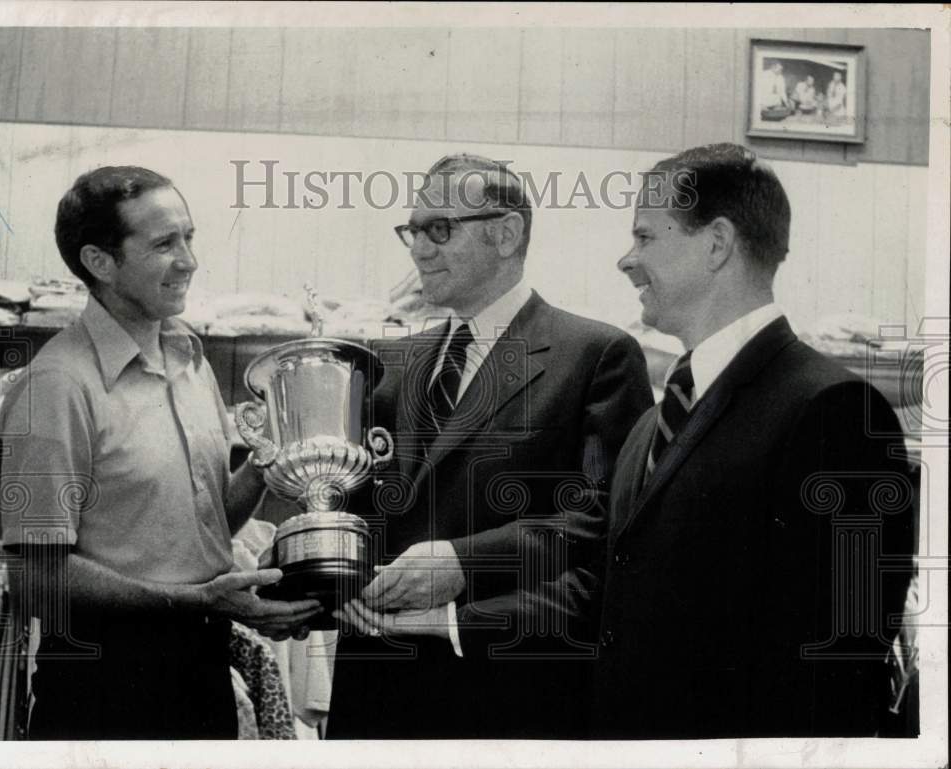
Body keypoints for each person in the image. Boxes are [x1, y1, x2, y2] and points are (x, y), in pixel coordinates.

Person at [590, 143, 915, 738]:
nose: (626, 261)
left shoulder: (831, 411)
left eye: (645, 238)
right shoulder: (650, 424)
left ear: (716, 244)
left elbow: (835, 668)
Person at [326, 154, 654, 738]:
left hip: (506, 696)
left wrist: (463, 563)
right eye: (413, 231)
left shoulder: (595, 355)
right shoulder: (391, 363)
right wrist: (333, 571)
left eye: (439, 229)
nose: (419, 250)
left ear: (507, 234)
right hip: (376, 695)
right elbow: (357, 506)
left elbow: (603, 518)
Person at [0, 166, 322, 740]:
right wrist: (195, 598)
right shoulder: (56, 384)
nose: (189, 260)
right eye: (164, 244)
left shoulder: (190, 360)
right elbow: (35, 577)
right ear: (100, 262)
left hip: (202, 668)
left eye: (189, 237)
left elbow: (208, 520)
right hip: (102, 684)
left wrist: (267, 464)